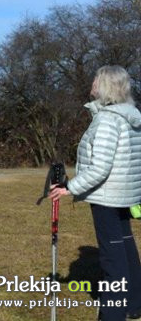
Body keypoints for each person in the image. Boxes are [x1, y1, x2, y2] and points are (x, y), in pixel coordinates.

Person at [49, 66, 141, 321]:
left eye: (96, 79)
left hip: (108, 195)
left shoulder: (108, 120)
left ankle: (112, 314)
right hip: (123, 194)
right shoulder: (130, 115)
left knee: (113, 259)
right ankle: (133, 303)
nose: (92, 83)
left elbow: (100, 168)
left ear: (105, 85)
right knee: (125, 247)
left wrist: (69, 188)